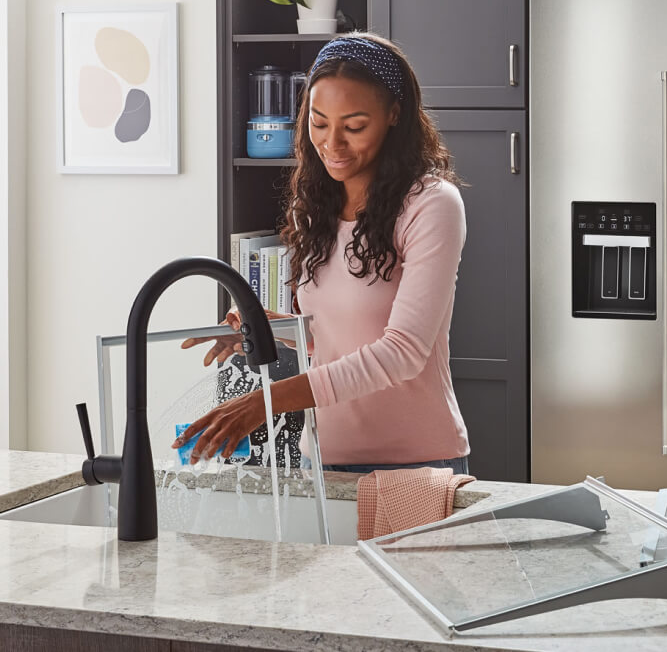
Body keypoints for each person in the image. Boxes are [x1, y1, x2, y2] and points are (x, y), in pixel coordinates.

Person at [174, 33, 471, 475]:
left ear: (394, 114)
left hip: (416, 463)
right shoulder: (313, 207)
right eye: (318, 123)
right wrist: (267, 329)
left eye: (354, 127)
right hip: (323, 460)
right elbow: (332, 334)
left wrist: (265, 402)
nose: (333, 143)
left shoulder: (431, 205)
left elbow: (403, 351)